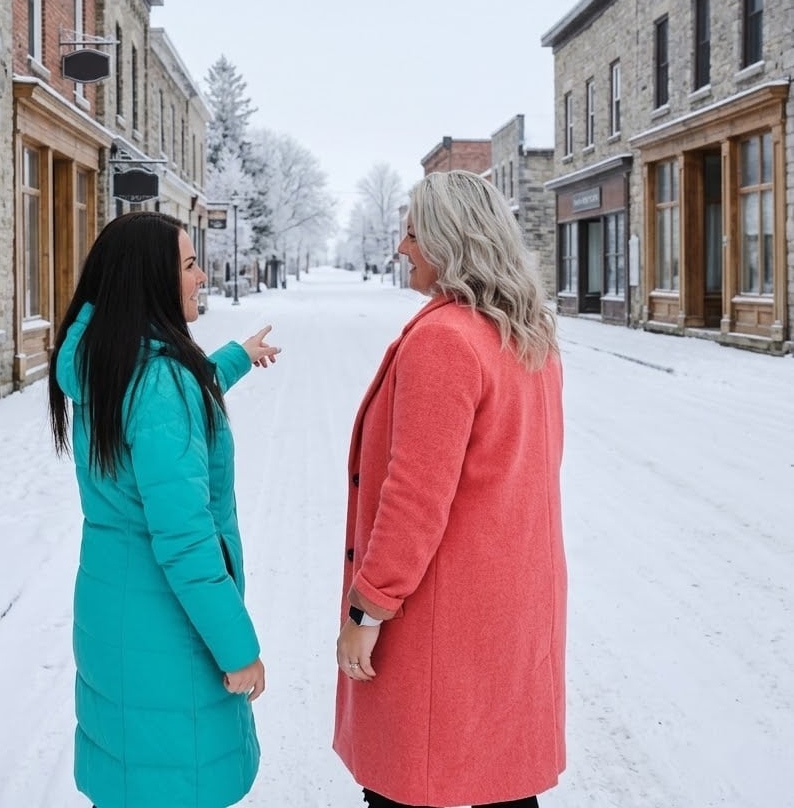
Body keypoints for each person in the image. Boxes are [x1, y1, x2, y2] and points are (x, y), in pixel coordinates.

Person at [334, 170, 566, 808]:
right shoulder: (529, 339)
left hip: (440, 619)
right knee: (500, 787)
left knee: (414, 786)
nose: (400, 248)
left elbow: (413, 497)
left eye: (412, 232)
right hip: (510, 612)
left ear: (448, 240)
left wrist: (367, 610)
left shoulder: (444, 340)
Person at [48, 212, 280, 808]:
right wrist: (238, 649)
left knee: (130, 783)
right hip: (166, 632)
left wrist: (233, 358)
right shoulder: (158, 384)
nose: (202, 276)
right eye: (188, 264)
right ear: (152, 280)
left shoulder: (107, 360)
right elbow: (184, 540)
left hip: (115, 617)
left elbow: (168, 398)